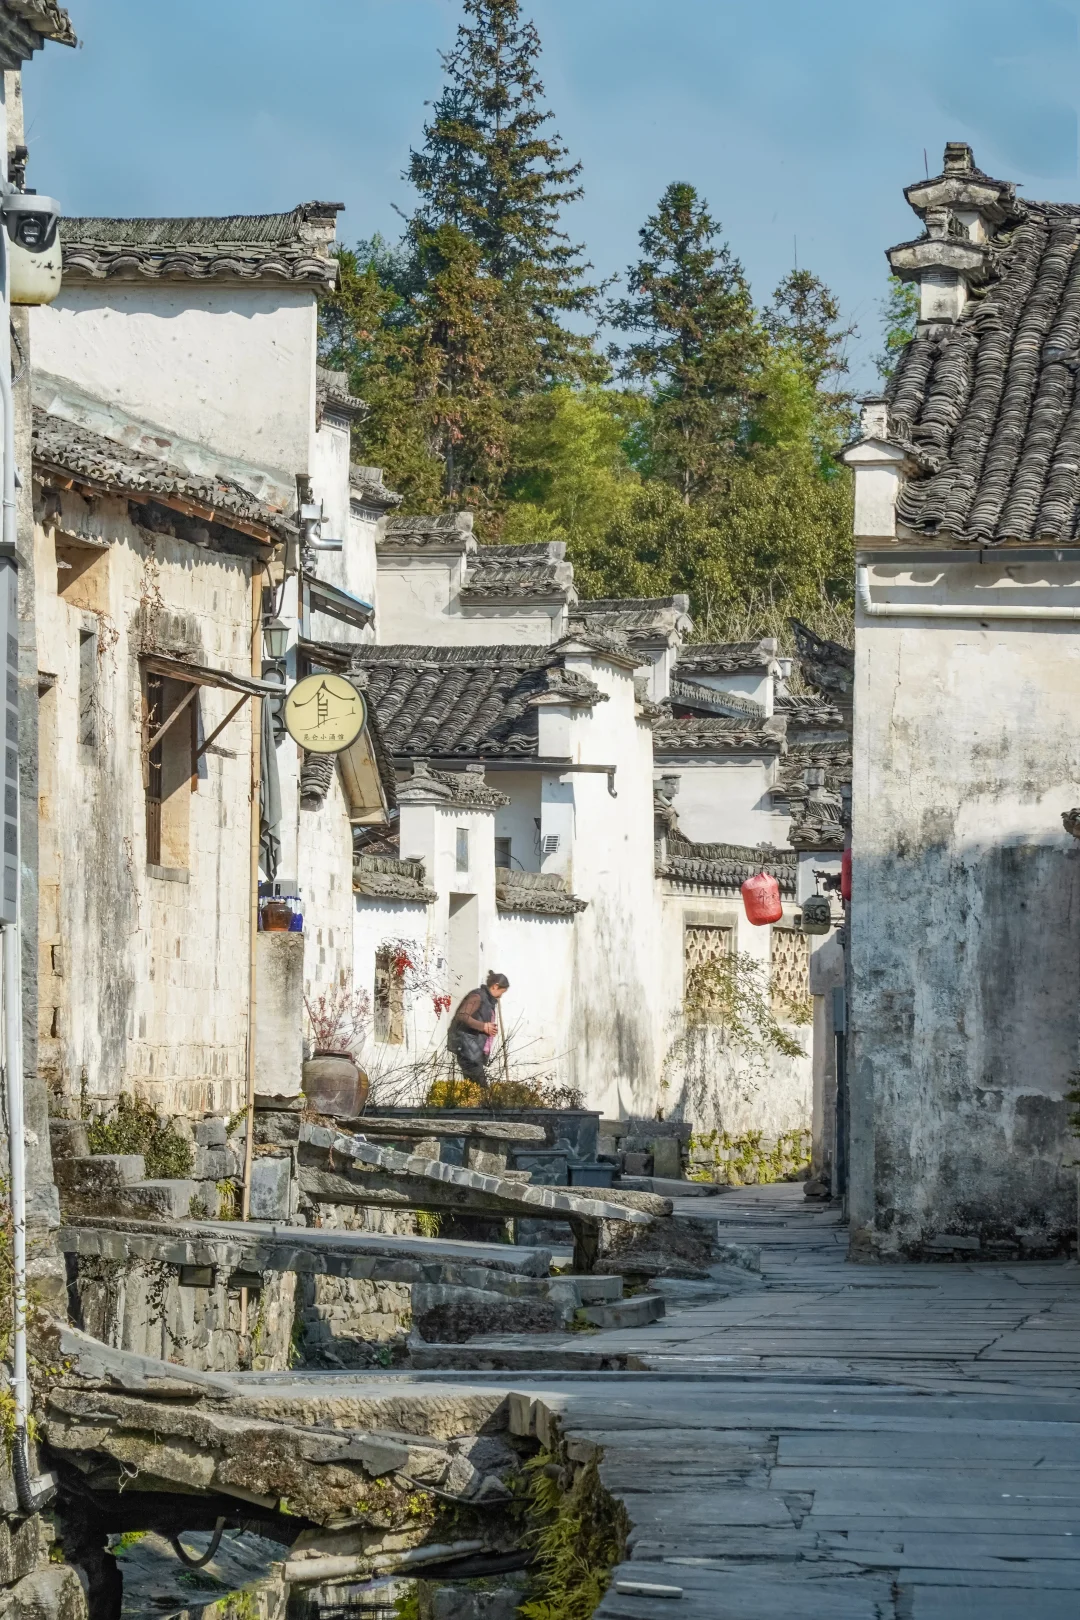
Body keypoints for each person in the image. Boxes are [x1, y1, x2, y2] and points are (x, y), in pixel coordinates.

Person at [448, 971, 509, 1090]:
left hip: (474, 1053)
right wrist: (483, 1026)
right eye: (501, 992)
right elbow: (462, 1015)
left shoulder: (488, 1001)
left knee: (475, 1090)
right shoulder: (477, 996)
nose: (500, 996)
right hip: (468, 1052)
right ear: (495, 986)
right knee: (482, 1090)